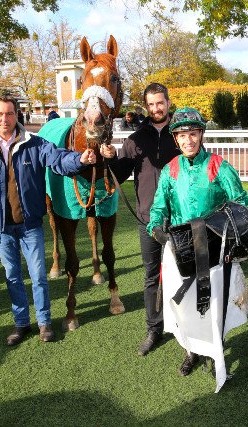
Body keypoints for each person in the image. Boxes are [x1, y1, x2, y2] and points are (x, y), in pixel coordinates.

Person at [0, 94, 97, 346]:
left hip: (29, 225)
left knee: (39, 276)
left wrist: (79, 159)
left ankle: (44, 323)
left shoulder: (34, 144)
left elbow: (58, 158)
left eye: (9, 113)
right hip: (0, 228)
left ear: (17, 115)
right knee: (12, 277)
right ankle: (21, 323)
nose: (4, 119)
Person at [147, 107, 248, 391]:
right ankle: (191, 350)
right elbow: (158, 208)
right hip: (182, 249)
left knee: (215, 303)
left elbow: (240, 204)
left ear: (201, 135)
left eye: (193, 134)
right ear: (176, 139)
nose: (188, 140)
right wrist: (156, 228)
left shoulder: (219, 166)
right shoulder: (170, 170)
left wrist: (223, 231)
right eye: (182, 136)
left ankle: (216, 349)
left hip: (216, 249)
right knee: (187, 305)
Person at [100, 83, 180, 356]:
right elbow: (120, 174)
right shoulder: (134, 140)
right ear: (146, 107)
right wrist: (112, 158)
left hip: (180, 218)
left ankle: (185, 327)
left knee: (184, 274)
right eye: (151, 104)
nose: (156, 108)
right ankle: (154, 329)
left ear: (168, 102)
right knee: (151, 276)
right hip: (148, 219)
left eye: (160, 103)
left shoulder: (181, 134)